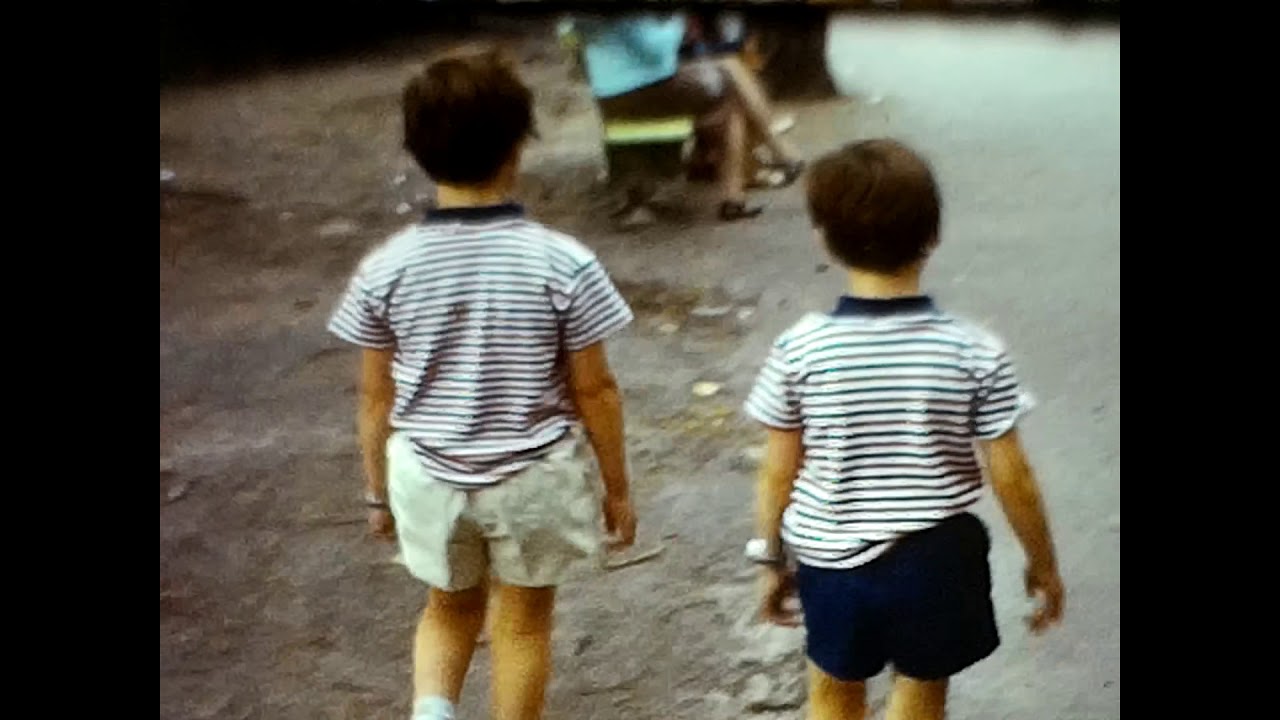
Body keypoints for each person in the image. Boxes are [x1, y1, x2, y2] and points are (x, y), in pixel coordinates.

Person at [327, 48, 638, 720]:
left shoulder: (387, 268)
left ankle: (434, 711)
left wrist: (377, 493)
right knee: (522, 624)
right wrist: (615, 486)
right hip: (531, 478)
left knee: (447, 610)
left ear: (417, 151)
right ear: (517, 149)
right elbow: (596, 391)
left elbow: (375, 396)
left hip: (429, 476)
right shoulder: (564, 263)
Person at [743, 139, 1065, 720]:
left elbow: (777, 469)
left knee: (832, 692)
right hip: (935, 559)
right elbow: (1011, 473)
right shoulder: (973, 350)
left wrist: (770, 558)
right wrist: (1042, 560)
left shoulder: (800, 349)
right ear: (933, 236)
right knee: (920, 696)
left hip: (831, 561)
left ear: (823, 238)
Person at [572, 11, 804, 222]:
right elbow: (654, 51)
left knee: (727, 69)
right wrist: (677, 20)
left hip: (608, 95)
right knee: (730, 98)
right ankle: (739, 192)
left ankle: (771, 158)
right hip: (643, 91)